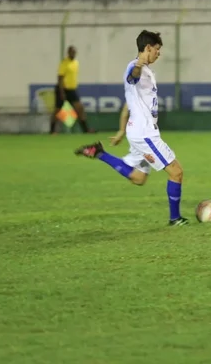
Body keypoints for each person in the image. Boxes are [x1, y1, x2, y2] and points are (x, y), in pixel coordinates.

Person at [73, 30, 188, 226]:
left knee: (139, 178)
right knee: (176, 172)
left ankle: (99, 153)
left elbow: (128, 104)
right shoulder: (135, 68)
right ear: (148, 48)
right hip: (145, 134)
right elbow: (133, 76)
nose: (159, 53)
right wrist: (138, 65)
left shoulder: (147, 72)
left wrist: (121, 130)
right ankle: (175, 218)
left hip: (137, 132)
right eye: (157, 49)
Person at [51, 45, 93, 134]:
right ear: (68, 52)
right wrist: (62, 92)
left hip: (72, 90)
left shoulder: (76, 63)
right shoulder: (64, 63)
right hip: (63, 89)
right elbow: (60, 78)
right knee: (58, 110)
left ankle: (86, 129)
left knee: (80, 108)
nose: (73, 53)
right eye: (71, 52)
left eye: (74, 52)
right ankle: (52, 130)